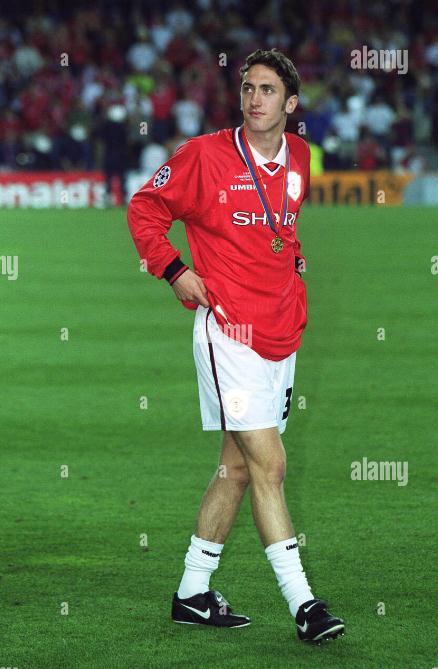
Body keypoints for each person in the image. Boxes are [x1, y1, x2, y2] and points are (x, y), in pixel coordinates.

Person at [127, 48, 345, 645]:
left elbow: (283, 225)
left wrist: (293, 261)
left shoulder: (299, 157)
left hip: (282, 332)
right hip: (229, 334)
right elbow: (145, 208)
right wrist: (174, 270)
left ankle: (192, 594)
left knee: (238, 468)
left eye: (267, 90)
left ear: (290, 103)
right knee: (270, 465)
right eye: (248, 87)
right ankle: (304, 604)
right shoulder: (204, 156)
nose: (254, 98)